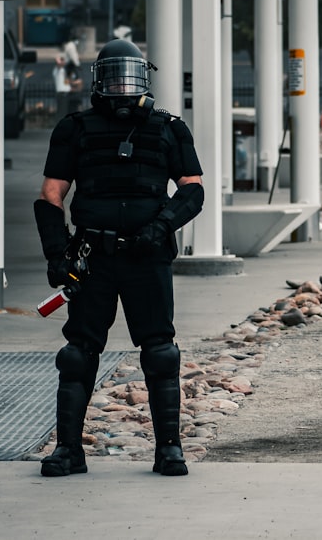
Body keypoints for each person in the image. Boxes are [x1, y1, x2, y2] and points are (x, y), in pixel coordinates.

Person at [33, 39, 204, 478]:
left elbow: (192, 188)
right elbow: (52, 195)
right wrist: (57, 254)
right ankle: (69, 449)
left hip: (148, 255)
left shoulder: (169, 128)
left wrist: (162, 226)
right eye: (113, 75)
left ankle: (169, 449)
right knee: (77, 353)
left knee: (161, 352)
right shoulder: (74, 128)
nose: (121, 85)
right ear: (98, 80)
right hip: (94, 257)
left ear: (144, 79)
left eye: (129, 75)